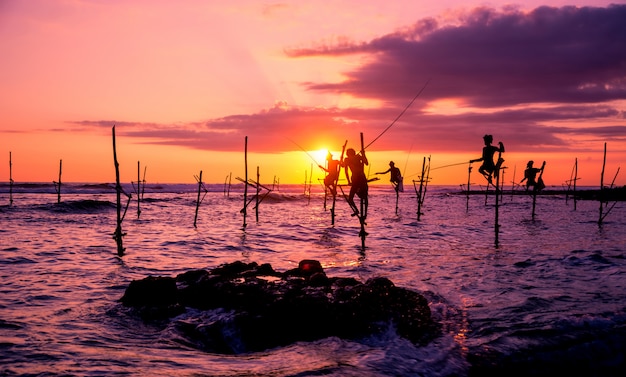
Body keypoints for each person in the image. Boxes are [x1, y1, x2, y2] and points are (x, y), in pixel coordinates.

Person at [342, 147, 368, 216]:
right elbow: (346, 171)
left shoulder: (357, 157)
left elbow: (366, 163)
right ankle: (357, 211)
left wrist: (363, 154)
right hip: (355, 179)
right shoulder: (347, 159)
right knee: (351, 198)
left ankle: (364, 214)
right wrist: (348, 181)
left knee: (364, 197)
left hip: (361, 178)